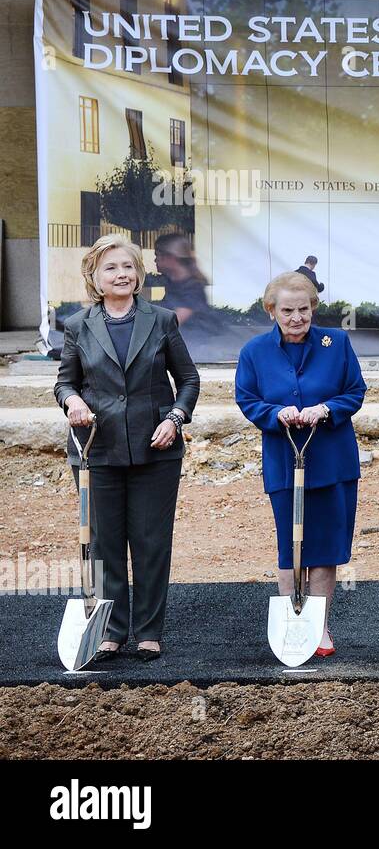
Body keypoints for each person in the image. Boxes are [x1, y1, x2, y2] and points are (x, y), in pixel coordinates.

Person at [53, 234, 200, 663]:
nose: (122, 274)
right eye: (111, 268)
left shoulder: (162, 320)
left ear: (139, 274)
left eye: (128, 267)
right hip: (96, 449)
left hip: (157, 450)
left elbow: (188, 380)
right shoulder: (78, 325)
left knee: (152, 542)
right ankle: (112, 630)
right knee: (105, 544)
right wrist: (73, 400)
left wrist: (175, 419)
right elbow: (65, 381)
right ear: (94, 278)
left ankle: (149, 631)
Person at [234, 271, 366, 658]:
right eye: (288, 310)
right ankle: (294, 621)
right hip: (283, 460)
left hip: (332, 461)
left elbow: (355, 391)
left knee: (324, 546)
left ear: (313, 308)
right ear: (271, 310)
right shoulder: (254, 352)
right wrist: (276, 413)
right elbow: (247, 399)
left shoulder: (336, 343)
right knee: (290, 545)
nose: (297, 318)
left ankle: (319, 626)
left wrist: (325, 408)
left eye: (304, 309)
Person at [149, 233, 221, 343]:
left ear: (171, 257)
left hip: (201, 348)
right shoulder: (173, 282)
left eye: (157, 255)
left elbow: (173, 323)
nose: (155, 260)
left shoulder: (193, 287)